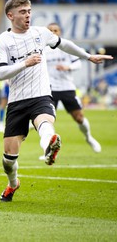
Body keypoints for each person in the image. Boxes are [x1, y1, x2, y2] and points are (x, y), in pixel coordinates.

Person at [0, 0, 112, 202]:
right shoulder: (3, 41)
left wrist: (87, 56)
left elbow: (64, 44)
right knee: (8, 160)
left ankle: (50, 146)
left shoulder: (41, 33)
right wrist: (25, 63)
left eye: (29, 11)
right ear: (10, 16)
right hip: (17, 101)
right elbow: (0, 73)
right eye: (23, 12)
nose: (28, 15)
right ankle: (13, 184)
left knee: (45, 123)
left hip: (41, 94)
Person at [44, 22, 101, 154]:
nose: (53, 33)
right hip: (50, 88)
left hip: (67, 87)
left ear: (60, 32)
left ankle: (88, 137)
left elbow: (78, 64)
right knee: (47, 120)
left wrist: (67, 67)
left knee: (79, 117)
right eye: (50, 30)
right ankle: (48, 150)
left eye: (55, 30)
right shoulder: (43, 50)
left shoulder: (66, 47)